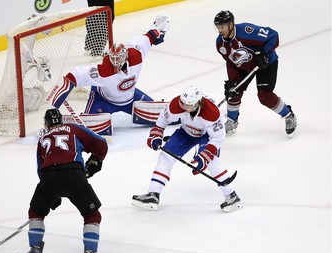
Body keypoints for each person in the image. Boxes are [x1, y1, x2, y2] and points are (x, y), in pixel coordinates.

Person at [16, 108, 112, 253]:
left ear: (46, 124)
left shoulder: (43, 138)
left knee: (36, 212)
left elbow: (41, 168)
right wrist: (96, 159)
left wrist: (52, 195)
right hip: (74, 173)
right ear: (61, 120)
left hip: (49, 177)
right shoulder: (73, 129)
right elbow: (101, 143)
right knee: (92, 215)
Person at [132, 85, 243, 213]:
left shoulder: (211, 113)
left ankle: (232, 196)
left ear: (198, 103)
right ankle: (153, 195)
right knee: (165, 156)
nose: (184, 107)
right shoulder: (176, 105)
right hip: (186, 132)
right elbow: (163, 118)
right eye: (183, 103)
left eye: (188, 105)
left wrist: (205, 156)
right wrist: (157, 133)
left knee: (212, 162)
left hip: (206, 136)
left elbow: (218, 138)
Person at [48, 14, 170, 116]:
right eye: (113, 58)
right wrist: (56, 97)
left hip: (131, 98)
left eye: (119, 58)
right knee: (89, 130)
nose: (116, 62)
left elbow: (149, 36)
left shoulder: (135, 54)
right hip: (103, 101)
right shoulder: (103, 71)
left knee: (162, 117)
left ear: (126, 56)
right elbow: (76, 74)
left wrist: (158, 30)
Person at [214, 10, 297, 137]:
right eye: (218, 27)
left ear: (231, 25)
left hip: (265, 63)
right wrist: (233, 81)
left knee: (264, 96)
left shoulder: (246, 32)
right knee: (234, 92)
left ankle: (289, 115)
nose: (220, 30)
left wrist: (264, 53)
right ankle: (232, 121)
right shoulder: (220, 44)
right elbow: (230, 62)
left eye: (222, 27)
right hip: (244, 66)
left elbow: (273, 36)